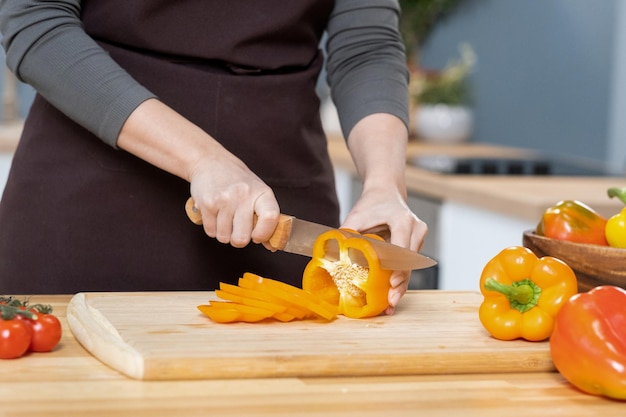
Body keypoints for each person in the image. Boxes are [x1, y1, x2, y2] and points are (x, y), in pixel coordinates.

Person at [0, 0, 427, 314]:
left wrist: (384, 183)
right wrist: (202, 158)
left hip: (277, 199)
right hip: (85, 199)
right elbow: (38, 23)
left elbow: (366, 47)